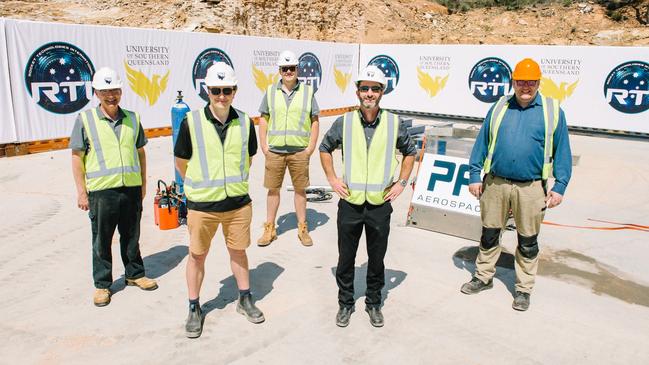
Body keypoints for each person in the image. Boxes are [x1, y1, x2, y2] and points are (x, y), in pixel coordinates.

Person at [462, 58, 572, 311]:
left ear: (538, 83)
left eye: (531, 82)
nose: (526, 87)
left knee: (528, 240)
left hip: (531, 188)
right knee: (489, 234)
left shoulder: (552, 111)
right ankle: (482, 277)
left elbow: (563, 150)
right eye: (521, 81)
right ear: (513, 82)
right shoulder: (500, 106)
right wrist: (474, 175)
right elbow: (482, 142)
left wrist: (560, 186)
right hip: (496, 184)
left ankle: (523, 289)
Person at [319, 65, 416, 328]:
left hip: (379, 204)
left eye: (374, 89)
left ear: (382, 92)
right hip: (350, 203)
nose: (369, 93)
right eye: (364, 88)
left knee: (376, 259)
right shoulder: (345, 121)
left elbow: (410, 152)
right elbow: (325, 148)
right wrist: (332, 179)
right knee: (346, 258)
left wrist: (402, 183)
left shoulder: (394, 123)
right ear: (357, 91)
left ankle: (373, 303)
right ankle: (345, 304)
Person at [174, 62, 264, 339]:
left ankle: (244, 298)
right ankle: (193, 307)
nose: (221, 96)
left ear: (235, 91)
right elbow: (181, 162)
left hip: (237, 204)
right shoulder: (192, 121)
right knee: (197, 256)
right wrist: (203, 186)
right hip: (203, 205)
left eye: (227, 90)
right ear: (207, 91)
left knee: (238, 252)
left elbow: (248, 159)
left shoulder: (246, 122)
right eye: (216, 90)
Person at [70, 67, 158, 307]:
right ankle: (102, 285)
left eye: (115, 90)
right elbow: (77, 157)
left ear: (121, 91)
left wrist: (142, 182)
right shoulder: (85, 120)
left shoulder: (132, 118)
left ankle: (135, 274)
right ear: (96, 93)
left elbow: (140, 153)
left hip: (130, 188)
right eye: (105, 91)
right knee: (102, 239)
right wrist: (81, 191)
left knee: (132, 236)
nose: (111, 96)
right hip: (101, 191)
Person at [256, 50, 320, 247]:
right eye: (285, 69)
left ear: (297, 69)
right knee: (273, 190)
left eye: (292, 68)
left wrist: (310, 148)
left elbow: (315, 120)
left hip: (299, 150)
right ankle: (270, 229)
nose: (289, 72)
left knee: (300, 190)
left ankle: (302, 228)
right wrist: (264, 146)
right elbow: (263, 118)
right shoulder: (270, 91)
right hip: (275, 151)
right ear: (280, 70)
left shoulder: (308, 92)